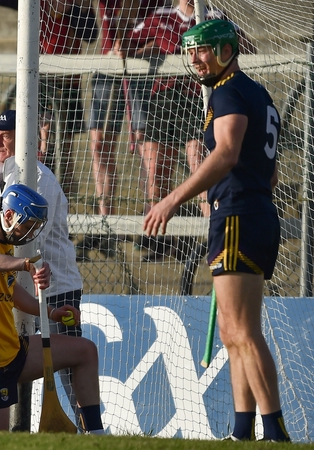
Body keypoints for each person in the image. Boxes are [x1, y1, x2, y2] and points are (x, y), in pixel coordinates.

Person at [143, 20, 290, 442]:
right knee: (231, 331)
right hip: (252, 212)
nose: (195, 59)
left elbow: (226, 153)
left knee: (243, 331)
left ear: (227, 50)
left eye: (203, 50)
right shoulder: (257, 94)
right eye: (190, 51)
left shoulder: (228, 92)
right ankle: (243, 430)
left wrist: (171, 200)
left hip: (239, 217)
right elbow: (270, 174)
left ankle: (275, 430)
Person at [0, 183, 104, 432]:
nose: (30, 234)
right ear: (8, 215)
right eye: (28, 226)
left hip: (13, 350)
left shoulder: (4, 245)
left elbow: (10, 291)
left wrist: (51, 312)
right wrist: (24, 263)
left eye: (35, 228)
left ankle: (96, 435)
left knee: (85, 351)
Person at [123, 0, 254, 261]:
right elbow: (126, 46)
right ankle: (159, 241)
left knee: (201, 166)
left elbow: (249, 47)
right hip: (164, 100)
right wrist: (142, 47)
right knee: (155, 172)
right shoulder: (160, 16)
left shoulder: (215, 16)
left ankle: (214, 236)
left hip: (199, 100)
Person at [0, 109, 86, 422]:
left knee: (69, 367)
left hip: (55, 288)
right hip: (15, 287)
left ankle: (88, 429)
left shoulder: (40, 178)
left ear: (25, 138)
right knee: (7, 359)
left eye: (6, 135)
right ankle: (8, 425)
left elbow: (30, 235)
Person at [78, 0, 166, 260]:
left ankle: (151, 226)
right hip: (109, 66)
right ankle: (105, 225)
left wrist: (137, 49)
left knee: (145, 145)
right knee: (99, 143)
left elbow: (164, 34)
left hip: (145, 67)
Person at [0, 0, 99, 197]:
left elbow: (90, 35)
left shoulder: (75, 3)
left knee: (64, 149)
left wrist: (73, 8)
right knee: (39, 142)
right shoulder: (36, 3)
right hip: (36, 79)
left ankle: (63, 198)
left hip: (67, 81)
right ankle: (33, 192)